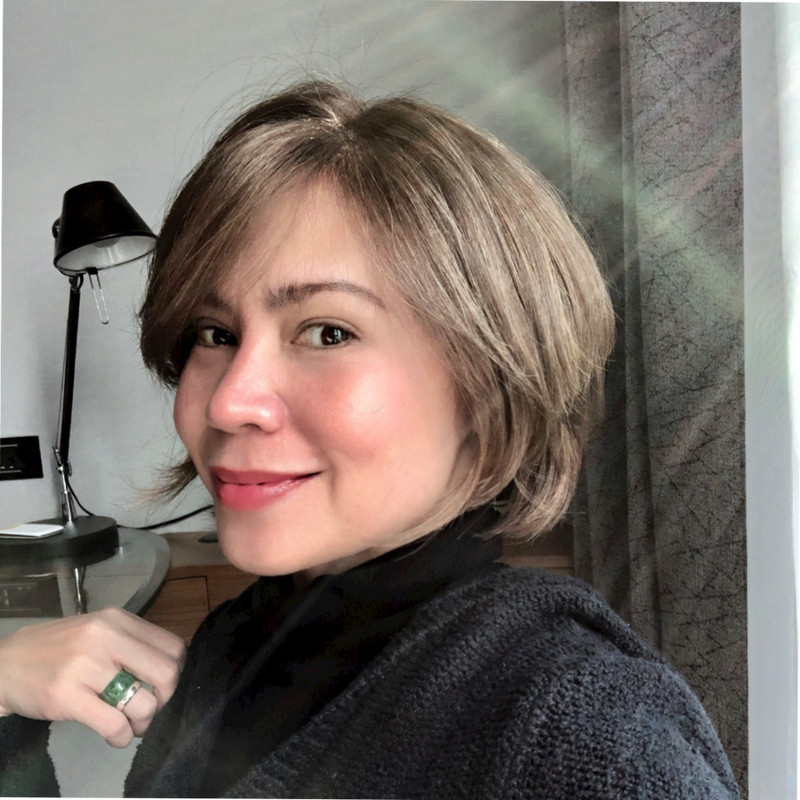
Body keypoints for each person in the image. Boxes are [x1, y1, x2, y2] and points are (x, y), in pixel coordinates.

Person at [0, 79, 740, 798]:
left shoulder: (582, 731)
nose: (228, 402)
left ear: (488, 383)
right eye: (214, 333)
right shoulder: (238, 635)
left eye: (327, 332)